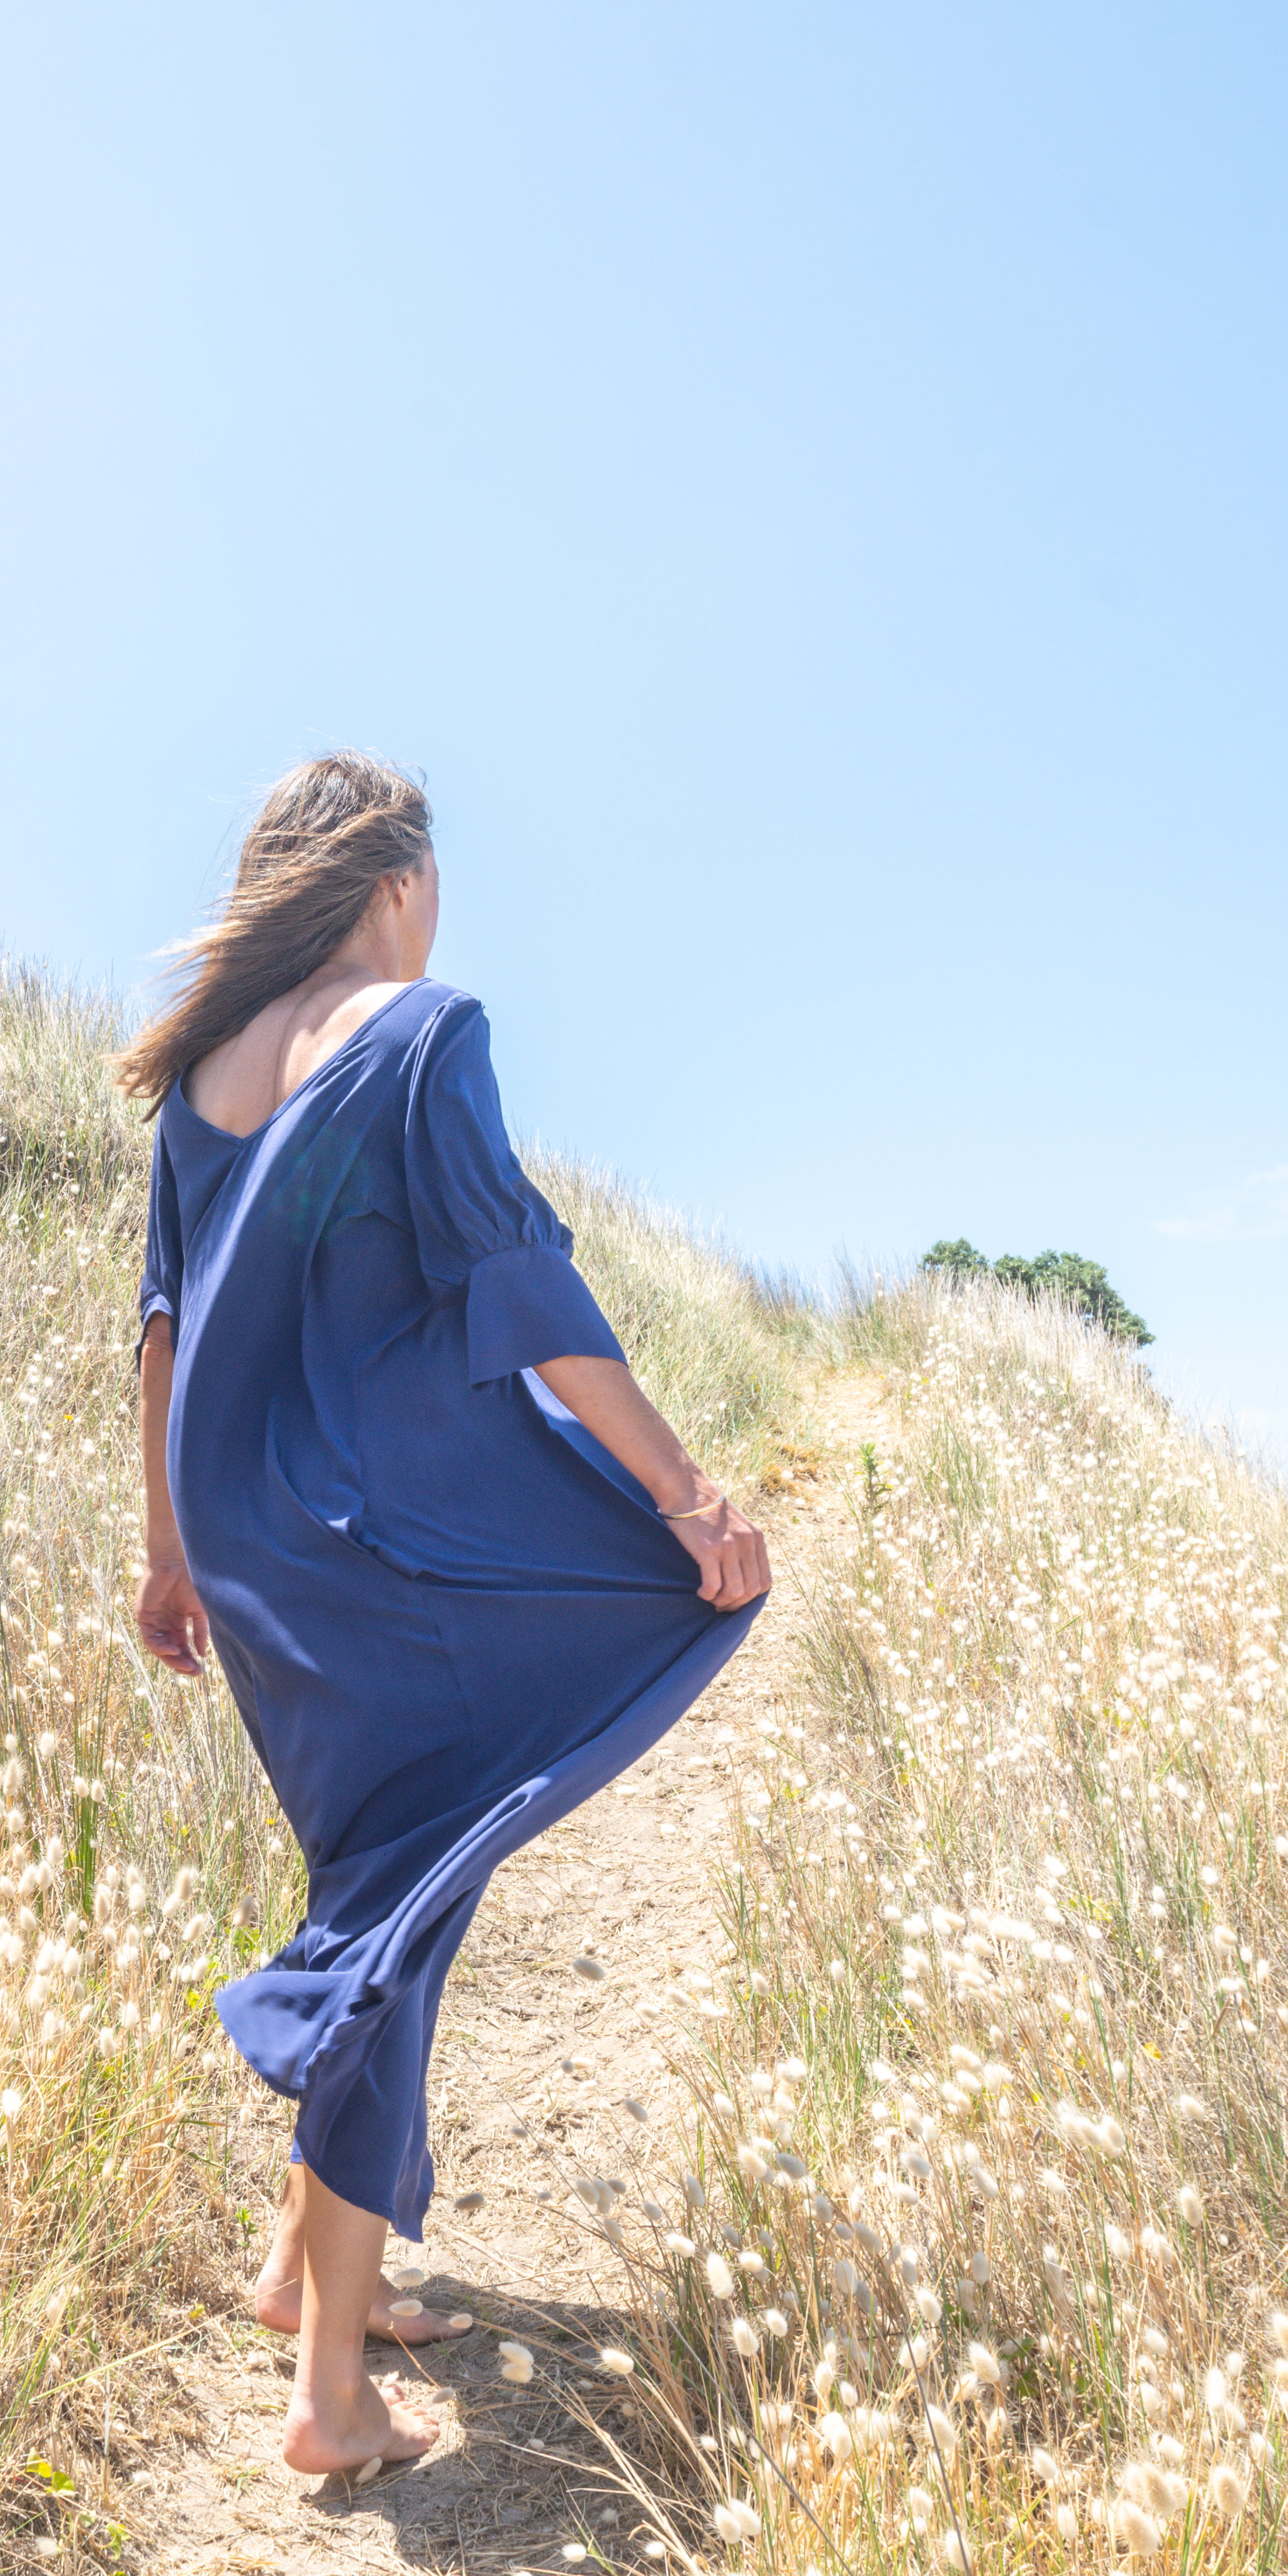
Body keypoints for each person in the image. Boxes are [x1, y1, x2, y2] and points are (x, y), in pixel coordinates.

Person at [122, 757, 769, 2476]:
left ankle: (298, 2268)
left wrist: (170, 1551)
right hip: (388, 1543)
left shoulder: (202, 1075)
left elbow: (163, 1333)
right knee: (398, 1908)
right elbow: (522, 1292)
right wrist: (684, 1496)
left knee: (391, 1872)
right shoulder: (419, 1031)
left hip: (253, 1550)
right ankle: (330, 2398)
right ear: (396, 882)